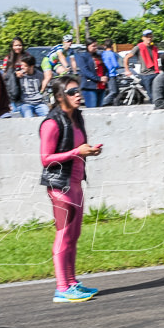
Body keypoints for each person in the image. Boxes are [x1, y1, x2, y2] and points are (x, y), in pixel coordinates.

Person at [40, 76, 102, 303]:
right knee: (64, 234)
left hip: (76, 183)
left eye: (79, 90)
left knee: (74, 234)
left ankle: (72, 282)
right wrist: (77, 152)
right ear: (59, 97)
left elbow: (77, 148)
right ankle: (61, 288)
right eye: (72, 91)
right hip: (59, 185)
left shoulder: (77, 117)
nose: (78, 94)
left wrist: (90, 151)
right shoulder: (51, 123)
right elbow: (46, 159)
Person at [74, 39, 104, 108]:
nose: (95, 48)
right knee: (92, 108)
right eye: (93, 46)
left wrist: (106, 77)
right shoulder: (83, 56)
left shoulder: (99, 56)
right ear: (88, 46)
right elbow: (85, 71)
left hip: (101, 86)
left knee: (100, 109)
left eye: (96, 46)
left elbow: (104, 68)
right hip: (89, 86)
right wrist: (98, 78)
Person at [3, 37, 28, 115]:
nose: (18, 47)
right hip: (13, 88)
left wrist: (22, 71)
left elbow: (31, 68)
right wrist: (14, 73)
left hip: (25, 88)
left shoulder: (26, 56)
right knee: (15, 113)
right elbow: (5, 73)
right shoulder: (8, 58)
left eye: (20, 45)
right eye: (16, 45)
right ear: (12, 46)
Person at [133, 30, 160, 97]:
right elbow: (127, 57)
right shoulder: (138, 47)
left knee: (158, 94)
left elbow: (158, 60)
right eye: (147, 37)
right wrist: (127, 70)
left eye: (150, 36)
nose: (149, 38)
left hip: (155, 73)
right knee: (151, 95)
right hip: (145, 75)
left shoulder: (154, 48)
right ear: (143, 38)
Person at [100, 39, 124, 106]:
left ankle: (116, 104)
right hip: (112, 74)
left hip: (105, 74)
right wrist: (119, 66)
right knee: (113, 91)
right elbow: (115, 64)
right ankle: (102, 103)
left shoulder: (103, 54)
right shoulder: (111, 54)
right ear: (112, 45)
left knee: (115, 91)